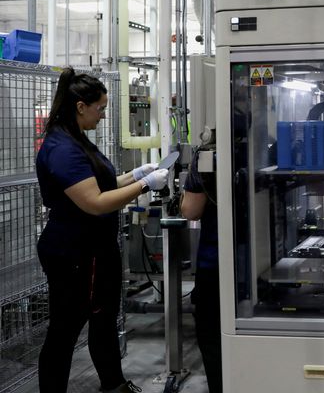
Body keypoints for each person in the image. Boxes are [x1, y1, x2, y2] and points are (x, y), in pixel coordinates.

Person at [35, 67, 169, 393]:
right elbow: (95, 201)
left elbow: (102, 183)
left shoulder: (76, 139)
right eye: (101, 109)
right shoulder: (62, 148)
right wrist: (144, 187)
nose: (103, 116)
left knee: (104, 320)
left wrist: (137, 174)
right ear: (81, 106)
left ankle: (114, 384)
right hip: (74, 252)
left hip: (94, 248)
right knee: (65, 330)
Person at [180, 136, 222, 393]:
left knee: (212, 335)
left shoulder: (207, 155)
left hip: (215, 263)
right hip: (258, 260)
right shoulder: (264, 145)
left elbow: (191, 211)